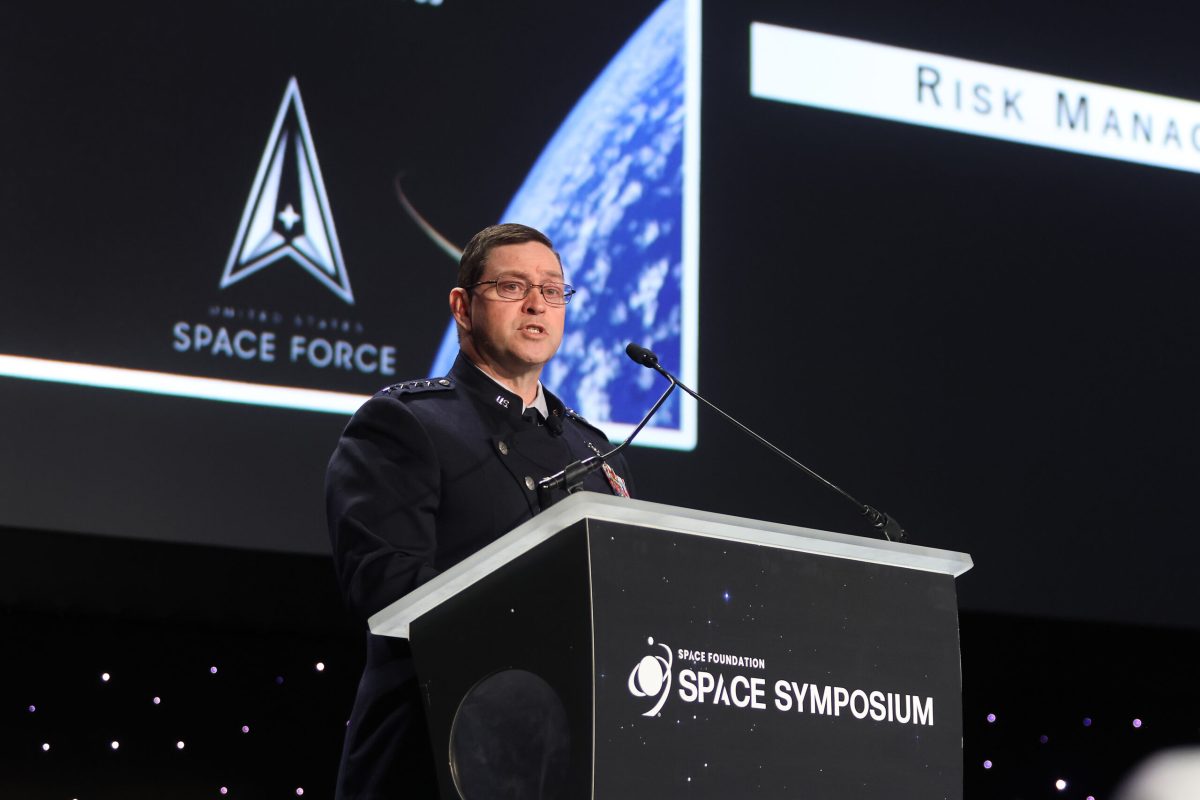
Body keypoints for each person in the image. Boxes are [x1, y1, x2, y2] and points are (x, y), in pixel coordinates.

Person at [325, 222, 636, 798]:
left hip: (571, 766)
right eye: (512, 287)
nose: (538, 303)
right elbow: (386, 587)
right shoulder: (408, 423)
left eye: (553, 289)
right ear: (463, 307)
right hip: (435, 756)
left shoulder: (594, 453)